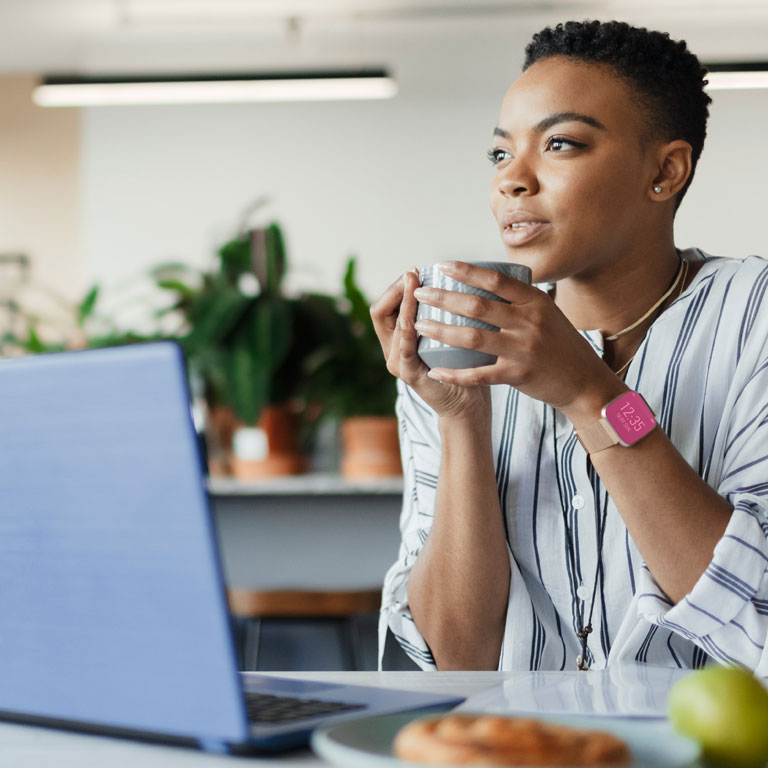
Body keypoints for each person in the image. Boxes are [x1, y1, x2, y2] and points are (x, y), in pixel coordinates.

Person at [372, 19, 768, 674]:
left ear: (666, 170)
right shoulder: (462, 350)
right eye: (501, 154)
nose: (512, 181)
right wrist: (462, 421)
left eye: (560, 143)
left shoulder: (753, 314)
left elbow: (757, 611)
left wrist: (592, 395)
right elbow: (458, 659)